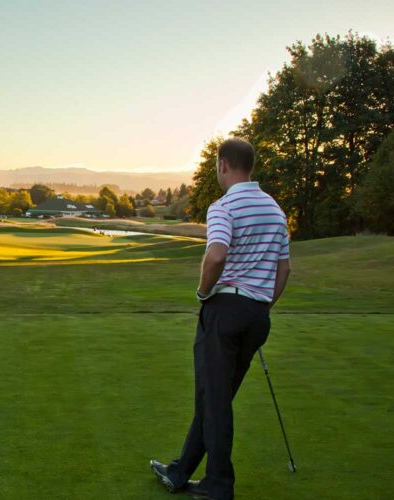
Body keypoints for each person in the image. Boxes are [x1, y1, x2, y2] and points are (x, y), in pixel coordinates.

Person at [150, 137, 291, 500]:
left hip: (225, 311)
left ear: (224, 165)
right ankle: (181, 470)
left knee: (214, 399)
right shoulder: (275, 209)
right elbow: (284, 268)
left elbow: (216, 256)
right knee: (216, 397)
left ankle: (218, 485)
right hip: (257, 315)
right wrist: (261, 305)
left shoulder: (223, 206)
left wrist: (202, 292)